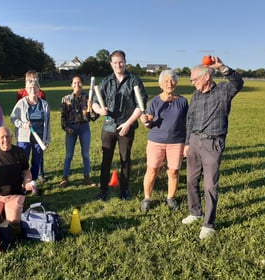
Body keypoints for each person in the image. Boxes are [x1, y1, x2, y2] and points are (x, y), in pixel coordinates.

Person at [182, 56, 244, 240]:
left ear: (206, 77)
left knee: (210, 185)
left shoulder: (224, 90)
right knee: (191, 181)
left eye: (194, 79)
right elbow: (190, 120)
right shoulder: (195, 95)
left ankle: (208, 224)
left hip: (212, 143)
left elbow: (238, 82)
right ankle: (195, 213)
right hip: (194, 141)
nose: (192, 82)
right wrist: (187, 143)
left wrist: (222, 67)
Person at [92, 50, 147, 201]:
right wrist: (100, 110)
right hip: (108, 128)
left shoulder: (134, 81)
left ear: (125, 62)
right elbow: (95, 103)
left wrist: (128, 123)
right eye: (115, 62)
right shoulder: (106, 82)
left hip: (126, 127)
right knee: (106, 160)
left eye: (121, 62)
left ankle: (124, 191)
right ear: (111, 64)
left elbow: (140, 105)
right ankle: (103, 190)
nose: (118, 65)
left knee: (125, 160)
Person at [139, 69, 189, 212]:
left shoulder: (182, 101)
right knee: (152, 170)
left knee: (173, 172)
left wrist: (187, 143)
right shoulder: (155, 101)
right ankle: (147, 198)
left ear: (176, 83)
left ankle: (171, 198)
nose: (169, 83)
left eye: (172, 80)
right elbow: (149, 122)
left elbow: (187, 123)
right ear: (160, 84)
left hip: (177, 142)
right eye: (166, 81)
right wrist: (146, 121)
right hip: (156, 141)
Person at [0, 127, 36, 236]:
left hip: (14, 194)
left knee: (14, 222)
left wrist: (28, 182)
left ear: (12, 137)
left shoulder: (20, 152)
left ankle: (6, 210)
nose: (5, 139)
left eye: (7, 136)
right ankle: (1, 210)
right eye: (2, 137)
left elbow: (26, 171)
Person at [58, 75, 99, 187]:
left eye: (79, 82)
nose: (77, 85)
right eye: (75, 83)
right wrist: (66, 128)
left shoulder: (88, 98)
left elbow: (93, 118)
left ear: (82, 84)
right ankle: (64, 178)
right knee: (69, 155)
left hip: (84, 128)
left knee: (85, 154)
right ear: (71, 85)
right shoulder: (65, 99)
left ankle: (87, 177)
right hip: (71, 129)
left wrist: (91, 109)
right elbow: (63, 117)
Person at [10, 78, 51, 186]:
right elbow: (13, 118)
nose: (32, 89)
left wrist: (47, 139)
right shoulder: (21, 103)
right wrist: (23, 125)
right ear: (27, 89)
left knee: (37, 161)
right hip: (24, 138)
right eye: (30, 87)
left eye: (35, 87)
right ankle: (22, 182)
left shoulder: (44, 104)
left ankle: (32, 182)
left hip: (39, 138)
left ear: (38, 89)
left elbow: (48, 123)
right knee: (23, 161)